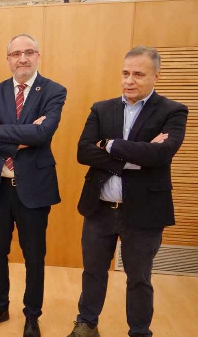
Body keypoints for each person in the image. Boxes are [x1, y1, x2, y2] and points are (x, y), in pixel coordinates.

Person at [68, 46, 188, 337]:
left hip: (144, 212)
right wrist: (138, 156)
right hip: (99, 209)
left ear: (155, 76)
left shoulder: (172, 111)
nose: (129, 80)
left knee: (139, 278)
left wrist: (108, 145)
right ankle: (86, 323)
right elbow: (83, 152)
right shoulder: (102, 108)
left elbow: (162, 154)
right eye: (125, 73)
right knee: (93, 272)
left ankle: (139, 331)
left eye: (138, 74)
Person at [0, 34, 67, 337]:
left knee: (34, 255)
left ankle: (31, 314)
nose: (21, 59)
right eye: (15, 54)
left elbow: (44, 134)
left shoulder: (53, 91)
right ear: (8, 59)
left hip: (35, 188)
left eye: (28, 52)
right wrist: (20, 137)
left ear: (38, 55)